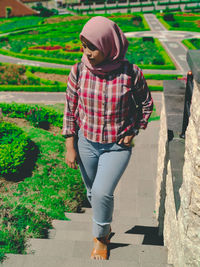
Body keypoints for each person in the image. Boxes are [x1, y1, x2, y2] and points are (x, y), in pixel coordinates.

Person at [62, 16, 153, 260]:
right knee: (93, 193)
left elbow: (146, 104)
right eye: (84, 46)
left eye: (93, 47)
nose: (87, 52)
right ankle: (106, 226)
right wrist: (70, 144)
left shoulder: (131, 73)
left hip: (116, 146)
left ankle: (101, 238)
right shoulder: (79, 70)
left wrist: (134, 130)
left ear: (109, 45)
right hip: (86, 143)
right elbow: (70, 109)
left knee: (102, 193)